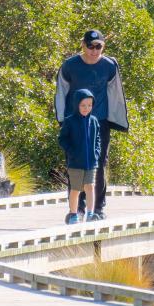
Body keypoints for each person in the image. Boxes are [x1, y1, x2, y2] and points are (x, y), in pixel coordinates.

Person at [55, 29, 129, 218]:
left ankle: (97, 208)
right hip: (75, 122)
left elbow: (116, 93)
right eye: (90, 46)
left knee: (99, 163)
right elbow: (61, 92)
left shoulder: (109, 66)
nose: (94, 51)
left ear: (103, 47)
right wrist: (62, 120)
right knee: (75, 163)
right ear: (83, 45)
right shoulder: (70, 65)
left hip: (99, 122)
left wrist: (118, 119)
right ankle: (76, 209)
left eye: (99, 47)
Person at [57, 89, 102, 224]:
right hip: (76, 163)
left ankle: (90, 213)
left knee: (90, 186)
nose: (86, 108)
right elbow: (62, 139)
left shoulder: (94, 121)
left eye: (89, 105)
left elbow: (98, 139)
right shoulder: (70, 121)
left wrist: (96, 153)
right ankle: (73, 214)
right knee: (76, 189)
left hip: (91, 163)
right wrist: (72, 152)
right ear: (76, 104)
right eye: (83, 105)